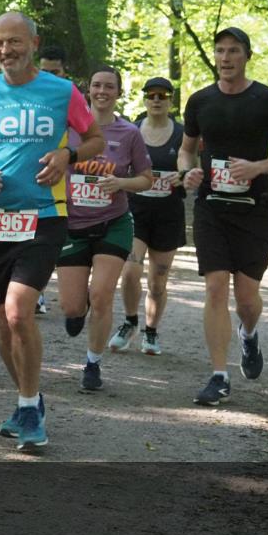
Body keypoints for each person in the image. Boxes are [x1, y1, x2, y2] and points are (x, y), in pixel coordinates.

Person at [0, 12, 103, 452]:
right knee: (2, 320)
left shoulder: (62, 91)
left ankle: (30, 408)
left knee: (20, 311)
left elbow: (93, 138)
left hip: (44, 215)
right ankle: (28, 400)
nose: (5, 51)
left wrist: (67, 157)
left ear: (34, 43)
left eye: (14, 42)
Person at [180, 27, 268, 406]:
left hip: (254, 211)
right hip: (211, 208)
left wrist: (257, 167)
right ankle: (219, 376)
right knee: (215, 287)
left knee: (247, 300)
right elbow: (186, 151)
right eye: (220, 51)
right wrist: (188, 173)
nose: (226, 58)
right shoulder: (200, 101)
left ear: (247, 55)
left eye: (233, 51)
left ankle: (249, 335)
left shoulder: (267, 101)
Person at [58, 66, 153, 391]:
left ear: (118, 92)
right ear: (88, 90)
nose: (102, 91)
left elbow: (146, 178)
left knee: (101, 295)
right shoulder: (68, 129)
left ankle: (92, 363)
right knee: (72, 305)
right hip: (72, 224)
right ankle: (76, 309)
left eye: (109, 86)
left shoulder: (129, 134)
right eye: (96, 85)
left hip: (113, 224)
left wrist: (121, 182)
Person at [109, 77, 187, 356]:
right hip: (135, 209)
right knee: (130, 270)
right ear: (144, 99)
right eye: (151, 95)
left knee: (158, 281)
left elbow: (191, 166)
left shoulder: (182, 133)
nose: (156, 100)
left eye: (162, 96)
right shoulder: (132, 131)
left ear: (170, 101)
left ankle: (151, 332)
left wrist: (185, 177)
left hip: (168, 213)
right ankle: (130, 322)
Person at [32, 44, 70, 315]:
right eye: (45, 71)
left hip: (73, 184)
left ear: (65, 72)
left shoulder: (73, 98)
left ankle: (75, 295)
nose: (50, 77)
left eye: (55, 72)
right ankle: (37, 292)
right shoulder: (29, 96)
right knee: (35, 240)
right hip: (40, 181)